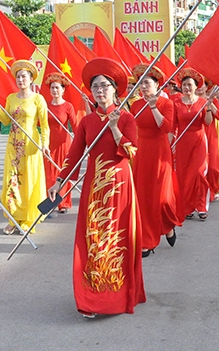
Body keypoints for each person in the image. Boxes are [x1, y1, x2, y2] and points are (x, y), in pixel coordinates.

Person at [47, 57, 145, 317]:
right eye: (95, 87)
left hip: (119, 185)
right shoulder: (86, 122)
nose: (100, 91)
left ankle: (117, 294)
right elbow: (74, 155)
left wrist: (114, 128)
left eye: (104, 86)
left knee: (116, 240)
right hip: (94, 188)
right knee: (93, 239)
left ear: (115, 89)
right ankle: (92, 297)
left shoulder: (126, 118)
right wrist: (59, 181)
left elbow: (131, 152)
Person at [0, 60, 50, 235]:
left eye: (24, 76)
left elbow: (44, 125)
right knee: (12, 182)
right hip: (13, 147)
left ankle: (28, 219)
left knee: (29, 182)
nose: (20, 79)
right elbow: (7, 121)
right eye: (18, 76)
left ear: (31, 79)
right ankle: (14, 219)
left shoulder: (38, 99)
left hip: (31, 146)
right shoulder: (11, 98)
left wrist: (45, 145)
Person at [130, 63, 180, 256]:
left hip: (160, 154)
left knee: (161, 198)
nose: (143, 86)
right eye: (141, 83)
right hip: (142, 153)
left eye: (147, 83)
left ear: (157, 85)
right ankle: (148, 239)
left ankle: (167, 225)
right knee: (144, 196)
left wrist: (153, 107)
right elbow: (132, 128)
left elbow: (166, 127)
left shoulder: (166, 104)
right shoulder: (134, 104)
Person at [173, 69, 214, 220]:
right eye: (184, 85)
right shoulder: (176, 103)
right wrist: (170, 142)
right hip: (182, 142)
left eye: (190, 85)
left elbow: (208, 122)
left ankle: (201, 206)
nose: (187, 88)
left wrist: (209, 107)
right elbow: (172, 126)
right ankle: (188, 206)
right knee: (184, 176)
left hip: (199, 141)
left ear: (196, 87)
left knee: (199, 173)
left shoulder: (203, 102)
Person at [43, 72, 77, 214]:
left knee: (63, 173)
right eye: (52, 88)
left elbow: (75, 125)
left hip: (64, 144)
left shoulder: (68, 106)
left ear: (63, 90)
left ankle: (63, 203)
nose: (55, 90)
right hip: (49, 144)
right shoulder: (45, 106)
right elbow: (40, 123)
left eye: (57, 88)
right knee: (50, 175)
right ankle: (50, 202)